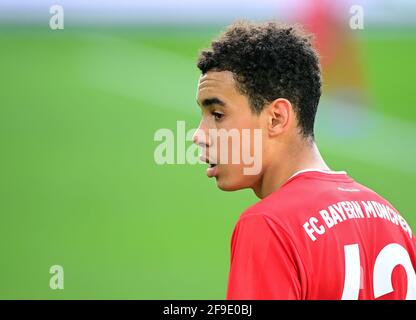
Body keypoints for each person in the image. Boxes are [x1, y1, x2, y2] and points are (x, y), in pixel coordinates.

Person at [192, 21, 416, 300]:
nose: (199, 135)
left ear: (276, 118)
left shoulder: (268, 225)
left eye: (217, 115)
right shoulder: (391, 220)